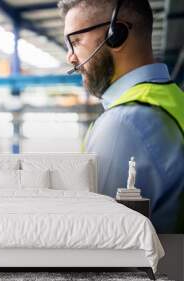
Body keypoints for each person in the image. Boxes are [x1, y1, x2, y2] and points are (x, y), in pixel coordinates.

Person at [58, 0, 184, 233]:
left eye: (75, 41)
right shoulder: (173, 99)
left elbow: (95, 239)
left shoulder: (124, 124)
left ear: (117, 35)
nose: (71, 58)